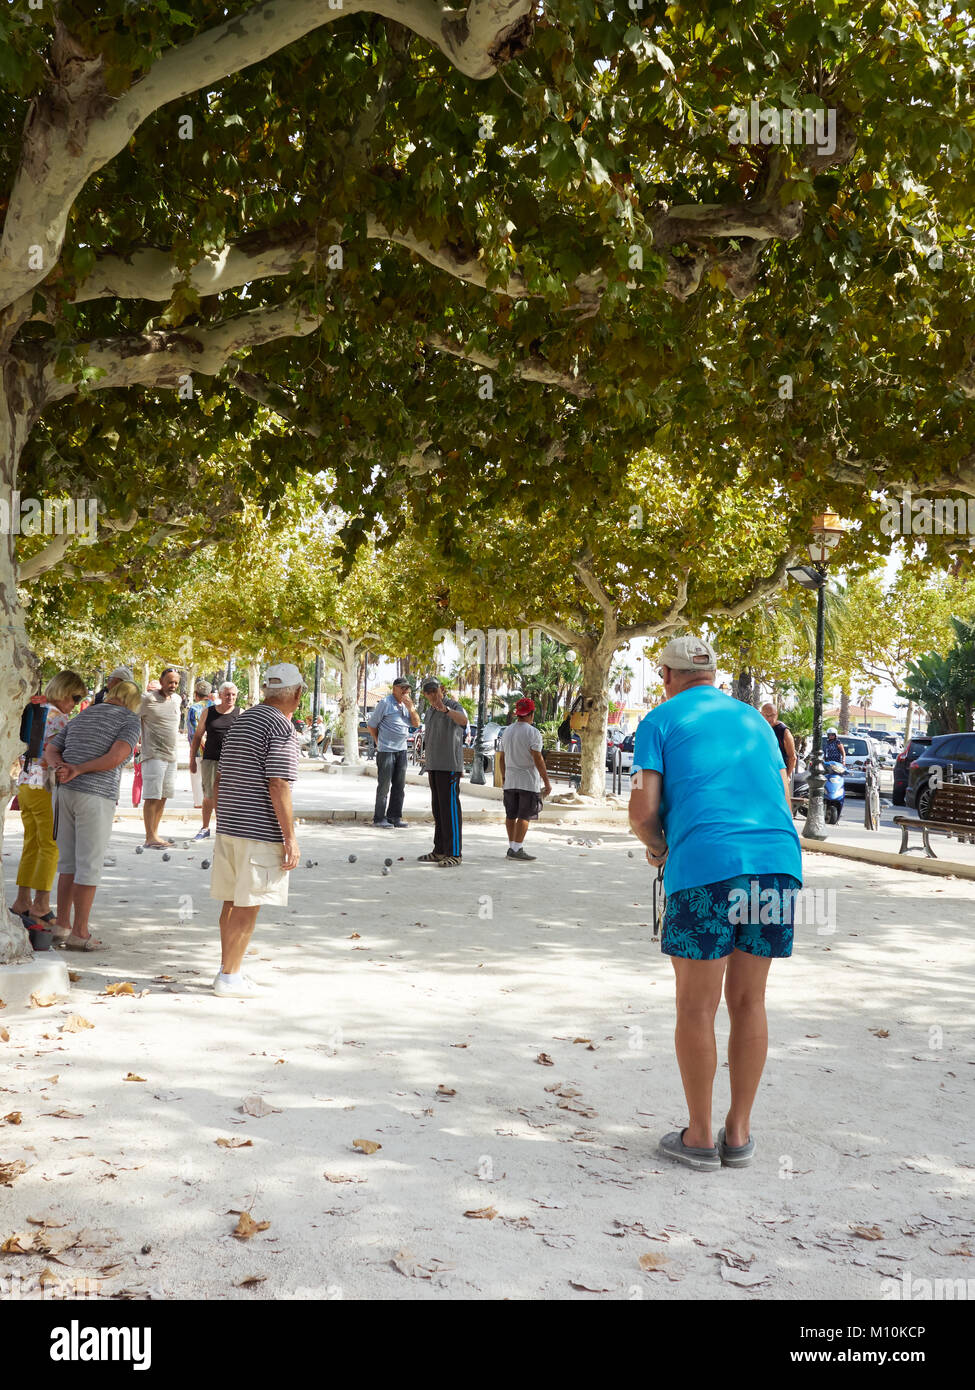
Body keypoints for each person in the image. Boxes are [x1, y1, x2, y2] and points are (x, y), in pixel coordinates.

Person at [628, 636, 802, 1172]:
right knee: (750, 1001)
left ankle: (699, 1136)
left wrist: (660, 849)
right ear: (714, 674)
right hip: (776, 864)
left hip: (705, 866)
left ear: (666, 675)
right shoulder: (756, 722)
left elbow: (642, 811)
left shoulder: (658, 722)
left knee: (696, 1006)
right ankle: (739, 1132)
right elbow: (785, 799)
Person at [209, 663, 302, 998]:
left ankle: (227, 970)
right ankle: (229, 977)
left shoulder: (243, 719)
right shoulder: (281, 727)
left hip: (231, 825)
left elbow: (219, 776)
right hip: (258, 830)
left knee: (232, 902)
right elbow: (278, 783)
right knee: (248, 905)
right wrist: (289, 837)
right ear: (297, 693)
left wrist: (225, 816)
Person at [43, 680, 142, 952]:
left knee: (67, 863)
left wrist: (62, 767)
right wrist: (79, 769)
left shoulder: (84, 713)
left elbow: (50, 748)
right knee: (88, 865)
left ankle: (61, 925)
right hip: (96, 795)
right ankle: (80, 932)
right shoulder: (130, 720)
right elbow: (116, 757)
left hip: (64, 793)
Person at [9, 670, 88, 939]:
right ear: (66, 692)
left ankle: (22, 901)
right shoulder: (60, 718)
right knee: (51, 845)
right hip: (45, 785)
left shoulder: (36, 709)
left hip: (25, 783)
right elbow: (52, 753)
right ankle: (41, 905)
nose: (75, 704)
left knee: (31, 843)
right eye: (76, 698)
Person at [417, 678, 468, 866]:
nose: (432, 695)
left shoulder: (453, 705)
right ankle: (439, 850)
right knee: (438, 810)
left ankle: (455, 852)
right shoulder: (429, 711)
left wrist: (446, 710)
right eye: (428, 692)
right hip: (433, 765)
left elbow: (463, 721)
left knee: (450, 810)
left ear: (442, 689)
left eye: (434, 690)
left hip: (449, 766)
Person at [496, 697, 552, 862]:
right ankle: (517, 848)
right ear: (531, 714)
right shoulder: (533, 732)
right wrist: (547, 782)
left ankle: (512, 846)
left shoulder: (507, 731)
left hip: (510, 780)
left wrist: (504, 777)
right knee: (524, 815)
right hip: (527, 780)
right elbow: (538, 758)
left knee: (511, 814)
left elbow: (501, 758)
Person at [189, 680, 239, 841]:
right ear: (221, 696)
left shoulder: (241, 713)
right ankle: (205, 827)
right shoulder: (208, 712)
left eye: (233, 695)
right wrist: (192, 759)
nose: (230, 697)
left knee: (230, 796)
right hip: (210, 759)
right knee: (208, 795)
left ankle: (225, 829)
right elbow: (197, 736)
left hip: (232, 761)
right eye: (227, 695)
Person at [367, 677, 421, 827]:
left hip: (402, 750)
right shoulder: (385, 703)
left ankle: (394, 817)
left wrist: (411, 708)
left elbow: (416, 724)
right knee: (384, 785)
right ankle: (379, 818)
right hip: (386, 750)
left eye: (407, 688)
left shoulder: (406, 706)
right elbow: (372, 725)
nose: (405, 691)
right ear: (394, 688)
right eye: (402, 688)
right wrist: (378, 741)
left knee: (399, 785)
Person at [139, 667, 181, 849]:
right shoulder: (147, 699)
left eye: (176, 683)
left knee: (163, 796)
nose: (173, 685)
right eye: (170, 681)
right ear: (161, 681)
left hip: (172, 756)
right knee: (152, 797)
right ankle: (149, 837)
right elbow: (133, 720)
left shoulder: (178, 699)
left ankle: (155, 835)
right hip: (153, 755)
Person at [186, 681, 214, 809]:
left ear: (196, 694)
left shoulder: (193, 708)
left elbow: (196, 731)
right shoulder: (215, 706)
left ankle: (198, 804)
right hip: (214, 750)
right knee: (210, 780)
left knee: (197, 778)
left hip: (198, 750)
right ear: (209, 694)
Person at [761, 703, 797, 786]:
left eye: (772, 715)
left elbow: (792, 757)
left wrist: (787, 776)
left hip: (779, 776)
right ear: (761, 714)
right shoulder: (759, 729)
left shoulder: (784, 732)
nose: (769, 718)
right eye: (766, 715)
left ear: (776, 715)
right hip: (763, 775)